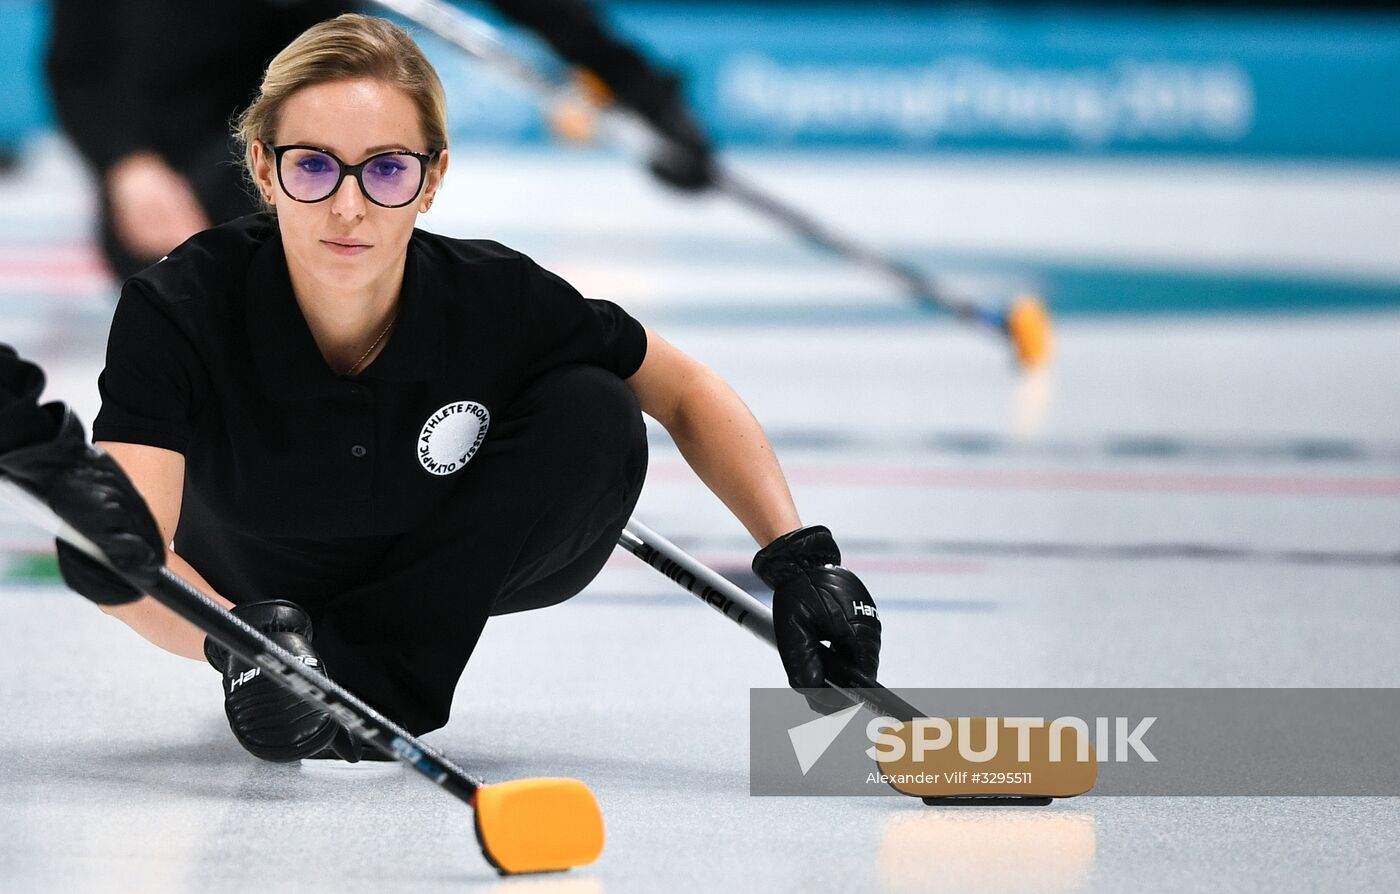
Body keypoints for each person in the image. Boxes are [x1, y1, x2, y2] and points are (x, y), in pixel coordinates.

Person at [38, 14, 875, 763]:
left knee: (594, 403)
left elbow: (685, 390)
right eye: (313, 169)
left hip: (448, 551)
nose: (350, 207)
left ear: (433, 181)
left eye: (389, 172)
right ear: (262, 168)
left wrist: (800, 559)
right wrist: (236, 645)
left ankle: (367, 683)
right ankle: (328, 658)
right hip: (259, 575)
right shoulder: (176, 305)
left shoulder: (494, 294)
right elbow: (125, 550)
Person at [47, 0, 713, 282]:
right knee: (188, 284)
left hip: (306, 136)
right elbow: (74, 64)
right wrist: (125, 166)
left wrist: (639, 87)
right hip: (167, 158)